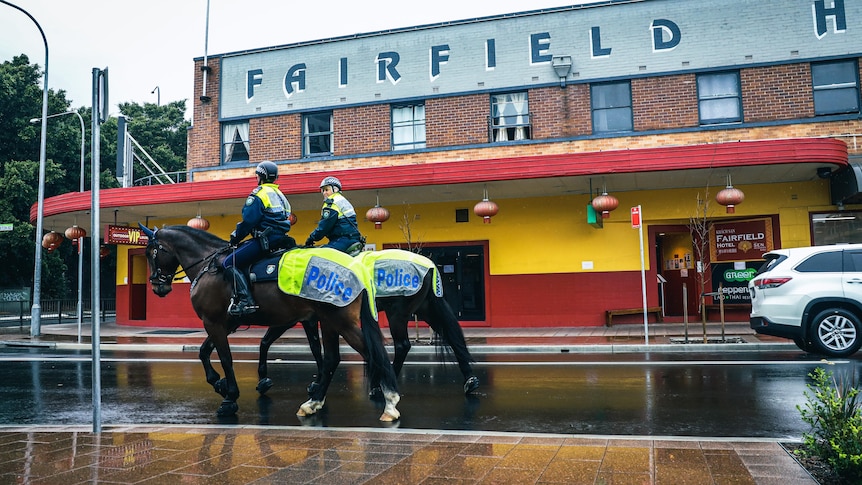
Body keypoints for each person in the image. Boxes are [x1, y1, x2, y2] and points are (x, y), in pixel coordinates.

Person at [223, 161, 295, 317]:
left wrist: (236, 237)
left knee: (229, 262)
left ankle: (245, 301)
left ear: (260, 176)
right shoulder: (282, 196)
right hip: (282, 240)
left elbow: (249, 221)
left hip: (265, 241)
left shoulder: (259, 194)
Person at [305, 176, 364, 255]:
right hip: (352, 238)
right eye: (323, 190)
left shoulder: (332, 203)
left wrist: (312, 238)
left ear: (335, 189)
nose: (324, 193)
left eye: (327, 190)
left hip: (342, 239)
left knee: (321, 255)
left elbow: (325, 226)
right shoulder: (342, 200)